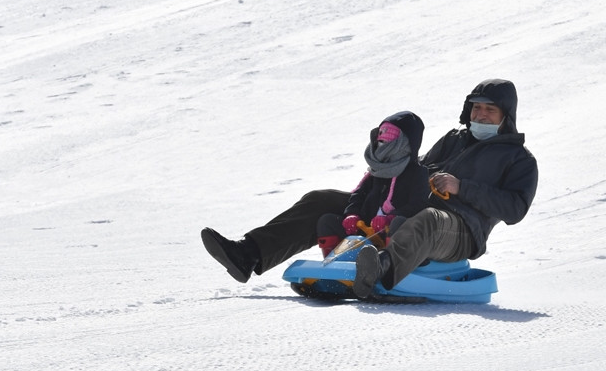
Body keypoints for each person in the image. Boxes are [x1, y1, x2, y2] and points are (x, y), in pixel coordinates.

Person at [201, 79, 538, 298]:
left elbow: (515, 209)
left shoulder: (519, 159)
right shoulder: (454, 139)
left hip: (459, 230)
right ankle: (249, 253)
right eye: (476, 107)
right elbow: (420, 166)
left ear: (506, 116)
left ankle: (379, 271)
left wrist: (462, 188)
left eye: (489, 109)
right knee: (323, 200)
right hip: (411, 209)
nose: (481, 115)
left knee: (430, 220)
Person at [314, 110, 431, 257]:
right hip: (366, 231)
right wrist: (352, 214)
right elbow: (359, 195)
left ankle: (390, 263)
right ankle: (333, 263)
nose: (381, 142)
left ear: (404, 143)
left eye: (388, 138)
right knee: (327, 221)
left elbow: (419, 204)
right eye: (381, 137)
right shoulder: (376, 171)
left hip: (392, 233)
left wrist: (391, 218)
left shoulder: (416, 173)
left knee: (399, 224)